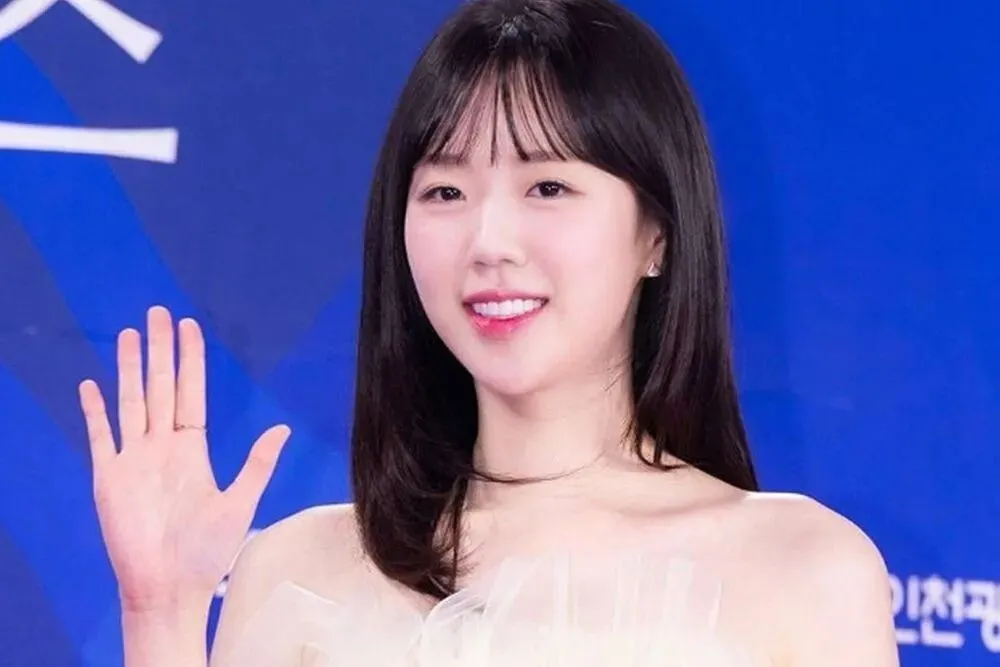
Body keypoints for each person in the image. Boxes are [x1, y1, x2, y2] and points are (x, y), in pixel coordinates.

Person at [78, 0, 900, 665]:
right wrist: (161, 615)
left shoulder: (801, 568)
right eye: (445, 192)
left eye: (547, 186)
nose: (489, 242)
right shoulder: (296, 570)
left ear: (657, 234)